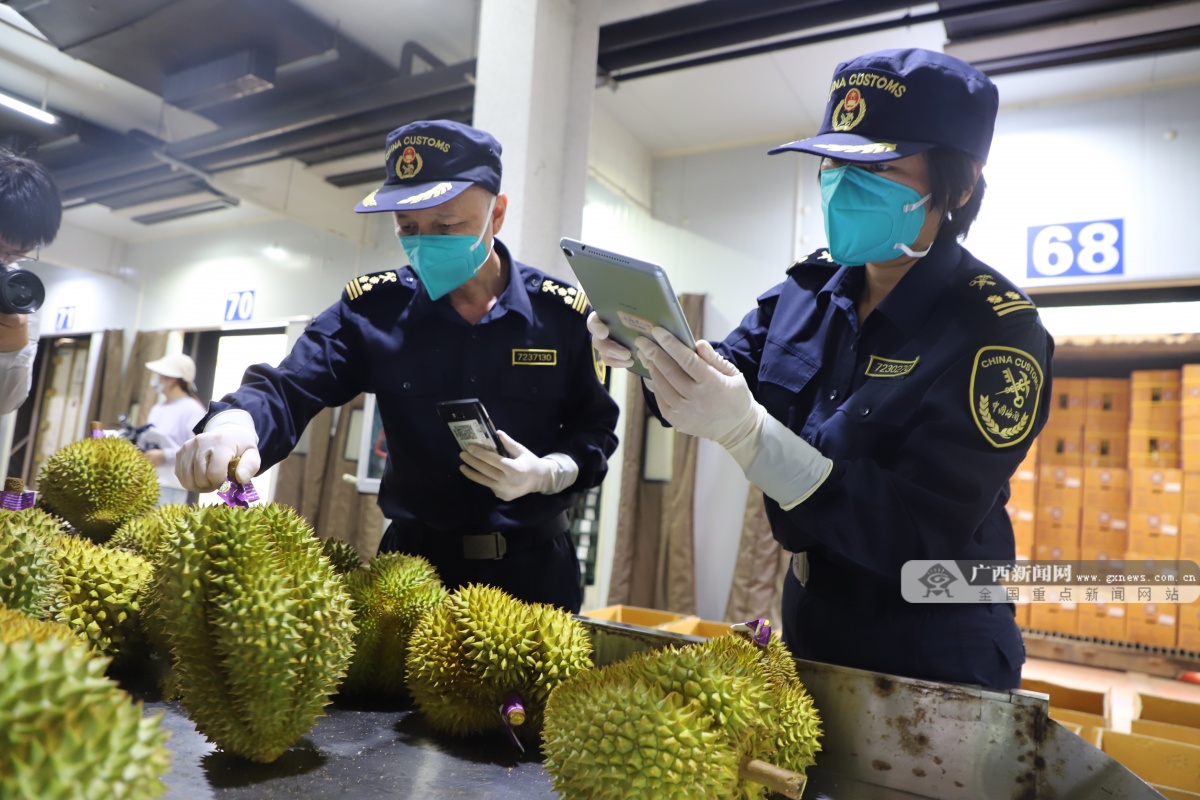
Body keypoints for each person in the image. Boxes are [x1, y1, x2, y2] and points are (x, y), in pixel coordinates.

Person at [590, 49, 1053, 690]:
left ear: (960, 184)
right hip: (811, 610)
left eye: (876, 166)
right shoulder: (804, 294)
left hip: (935, 642)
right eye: (834, 161)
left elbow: (915, 535)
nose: (842, 182)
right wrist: (650, 351)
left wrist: (752, 436)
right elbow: (719, 378)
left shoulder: (997, 331)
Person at [175, 119, 619, 613]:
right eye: (408, 228)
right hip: (412, 573)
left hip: (535, 572)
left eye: (446, 226)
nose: (425, 242)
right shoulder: (375, 310)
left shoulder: (561, 317)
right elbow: (289, 386)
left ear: (497, 213)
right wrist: (236, 423)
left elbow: (594, 430)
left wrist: (547, 473)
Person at [0, 149, 62, 415]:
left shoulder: (15, 295)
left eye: (17, 253)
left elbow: (6, 404)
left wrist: (13, 351)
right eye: (0, 246)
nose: (4, 260)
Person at [140, 353, 206, 506]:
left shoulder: (192, 409)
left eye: (162, 375)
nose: (158, 379)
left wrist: (165, 455)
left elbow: (196, 449)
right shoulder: (158, 408)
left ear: (173, 378)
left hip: (171, 486)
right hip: (148, 482)